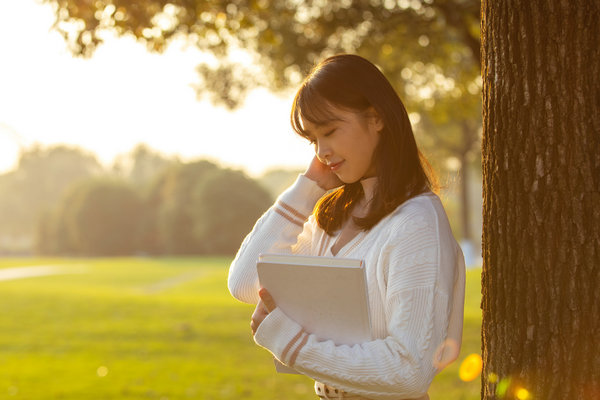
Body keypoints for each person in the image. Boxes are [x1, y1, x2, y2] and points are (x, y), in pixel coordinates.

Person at [228, 54, 465, 400]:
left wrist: (291, 344)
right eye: (313, 140)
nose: (322, 151)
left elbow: (410, 370)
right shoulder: (332, 219)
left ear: (376, 117)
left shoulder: (417, 223)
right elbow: (245, 283)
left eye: (330, 131)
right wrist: (308, 186)